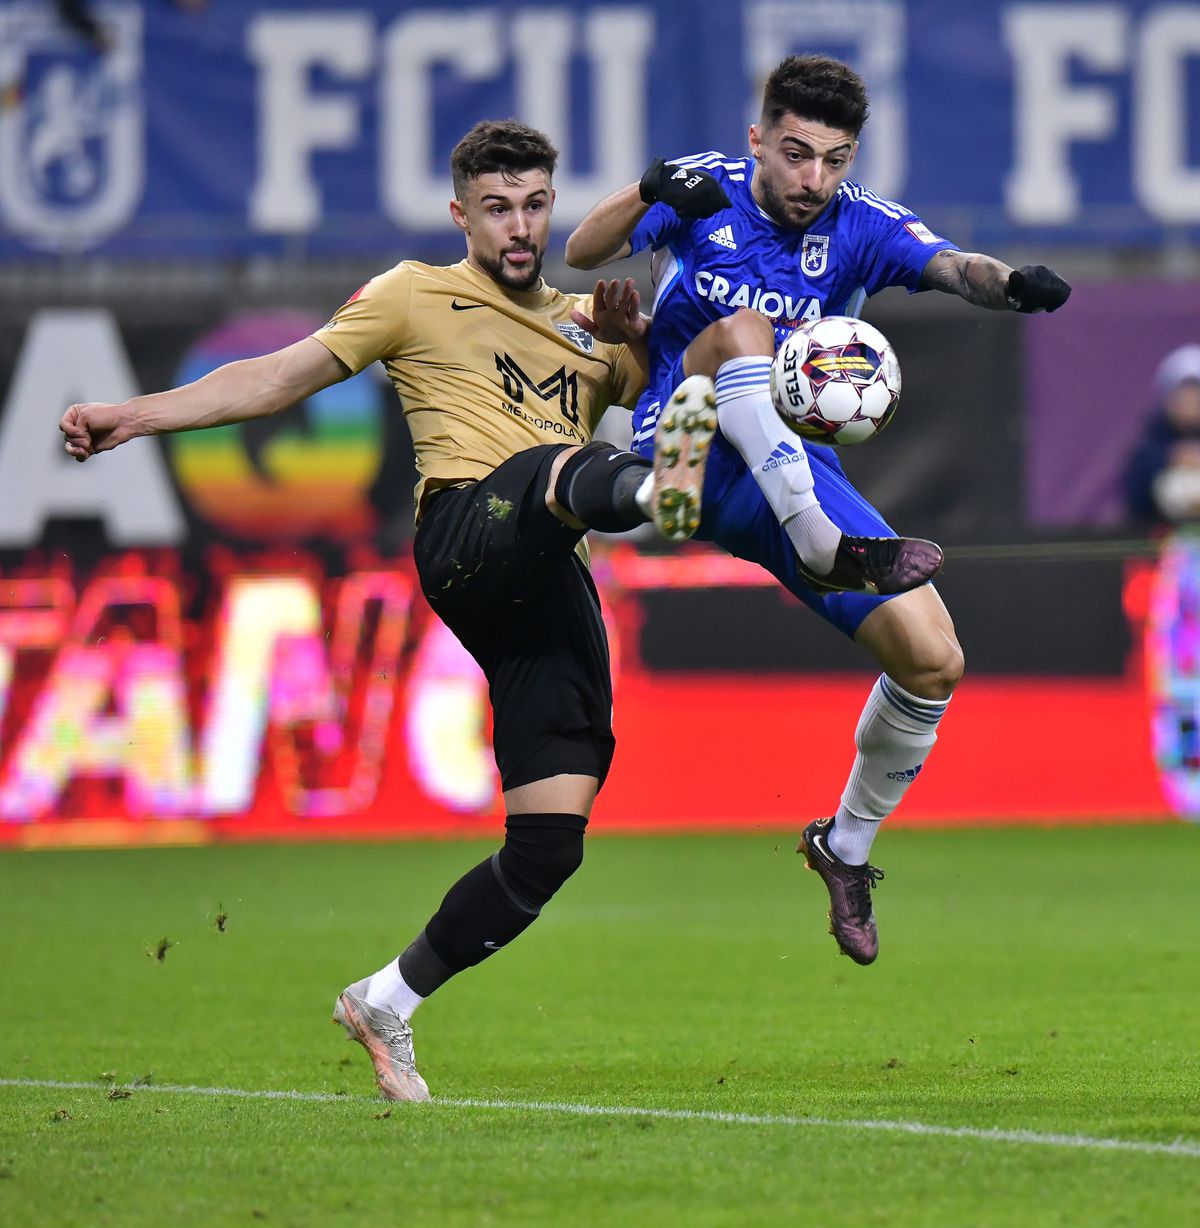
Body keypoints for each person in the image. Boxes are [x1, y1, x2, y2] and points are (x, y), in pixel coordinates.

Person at [58, 119, 718, 1102]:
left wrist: (636, 341)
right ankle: (659, 497)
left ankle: (387, 999)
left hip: (546, 587)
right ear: (461, 213)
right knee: (559, 471)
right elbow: (277, 377)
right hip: (468, 530)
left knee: (550, 845)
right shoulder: (414, 292)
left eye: (536, 204)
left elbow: (675, 378)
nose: (520, 226)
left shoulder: (589, 322)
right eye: (497, 208)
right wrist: (136, 413)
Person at [566, 55, 1072, 966]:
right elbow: (582, 251)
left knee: (934, 660)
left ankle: (843, 848)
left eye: (833, 160)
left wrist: (1015, 286)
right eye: (796, 154)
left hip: (788, 461)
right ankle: (816, 539)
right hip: (687, 435)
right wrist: (645, 185)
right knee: (743, 334)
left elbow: (953, 267)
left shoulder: (860, 225)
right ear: (758, 138)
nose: (814, 180)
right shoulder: (705, 189)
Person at [1126, 345, 1200, 527]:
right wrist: (1170, 458)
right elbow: (1136, 499)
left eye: (1195, 395)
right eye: (1182, 395)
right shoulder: (1150, 446)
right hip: (1160, 540)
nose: (1188, 403)